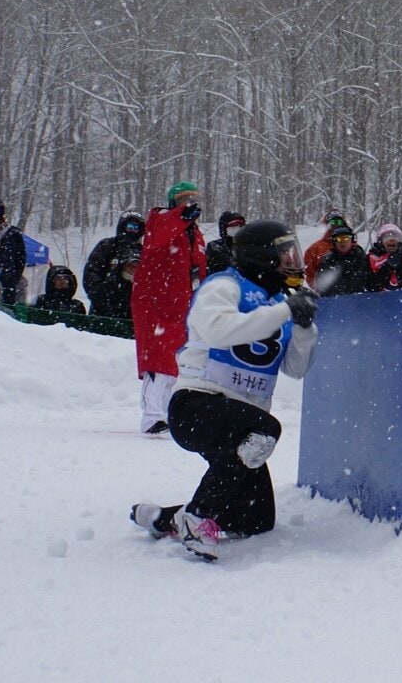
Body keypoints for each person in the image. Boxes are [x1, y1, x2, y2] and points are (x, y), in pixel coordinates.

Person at [129, 220, 319, 561]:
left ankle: (164, 518)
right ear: (262, 256)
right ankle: (198, 518)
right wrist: (285, 310)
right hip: (198, 406)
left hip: (242, 422)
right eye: (284, 253)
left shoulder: (279, 300)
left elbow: (295, 368)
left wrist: (304, 327)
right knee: (266, 429)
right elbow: (219, 331)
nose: (292, 261)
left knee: (255, 520)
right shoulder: (224, 286)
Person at [130, 182, 207, 436]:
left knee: (176, 363)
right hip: (156, 303)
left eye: (193, 198)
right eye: (184, 199)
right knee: (158, 360)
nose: (190, 203)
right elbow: (162, 232)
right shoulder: (160, 221)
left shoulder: (195, 234)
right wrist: (180, 217)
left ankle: (165, 413)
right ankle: (152, 417)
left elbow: (198, 267)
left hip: (182, 304)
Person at [83, 212, 144, 319]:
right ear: (122, 227)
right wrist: (101, 297)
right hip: (104, 308)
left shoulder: (144, 250)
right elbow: (91, 274)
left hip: (133, 310)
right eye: (130, 227)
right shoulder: (107, 246)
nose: (133, 231)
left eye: (136, 228)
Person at [315, 225, 372, 296]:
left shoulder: (360, 257)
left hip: (358, 300)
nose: (342, 242)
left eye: (346, 239)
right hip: (336, 302)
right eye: (339, 239)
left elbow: (369, 281)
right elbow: (322, 285)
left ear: (352, 240)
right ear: (334, 242)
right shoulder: (328, 260)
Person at [365, 224, 402, 291]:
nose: (392, 240)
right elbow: (367, 287)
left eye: (396, 237)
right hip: (377, 300)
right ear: (380, 241)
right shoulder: (370, 260)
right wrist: (386, 269)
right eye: (387, 237)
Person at [304, 209, 348, 287]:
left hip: (351, 294)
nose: (336, 225)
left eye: (339, 222)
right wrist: (320, 289)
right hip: (327, 295)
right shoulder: (316, 248)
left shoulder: (352, 246)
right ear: (328, 225)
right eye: (333, 222)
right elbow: (309, 274)